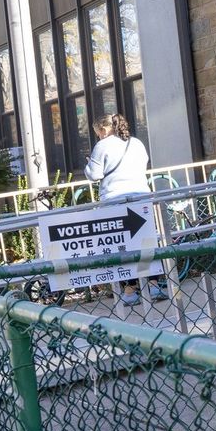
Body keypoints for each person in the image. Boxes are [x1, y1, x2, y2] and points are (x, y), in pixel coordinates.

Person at [84, 113, 163, 305]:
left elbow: (94, 175)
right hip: (140, 196)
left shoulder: (102, 146)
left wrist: (88, 164)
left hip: (115, 200)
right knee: (146, 242)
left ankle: (130, 290)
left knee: (121, 245)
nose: (99, 137)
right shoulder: (135, 143)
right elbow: (143, 163)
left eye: (98, 133)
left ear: (102, 130)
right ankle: (153, 285)